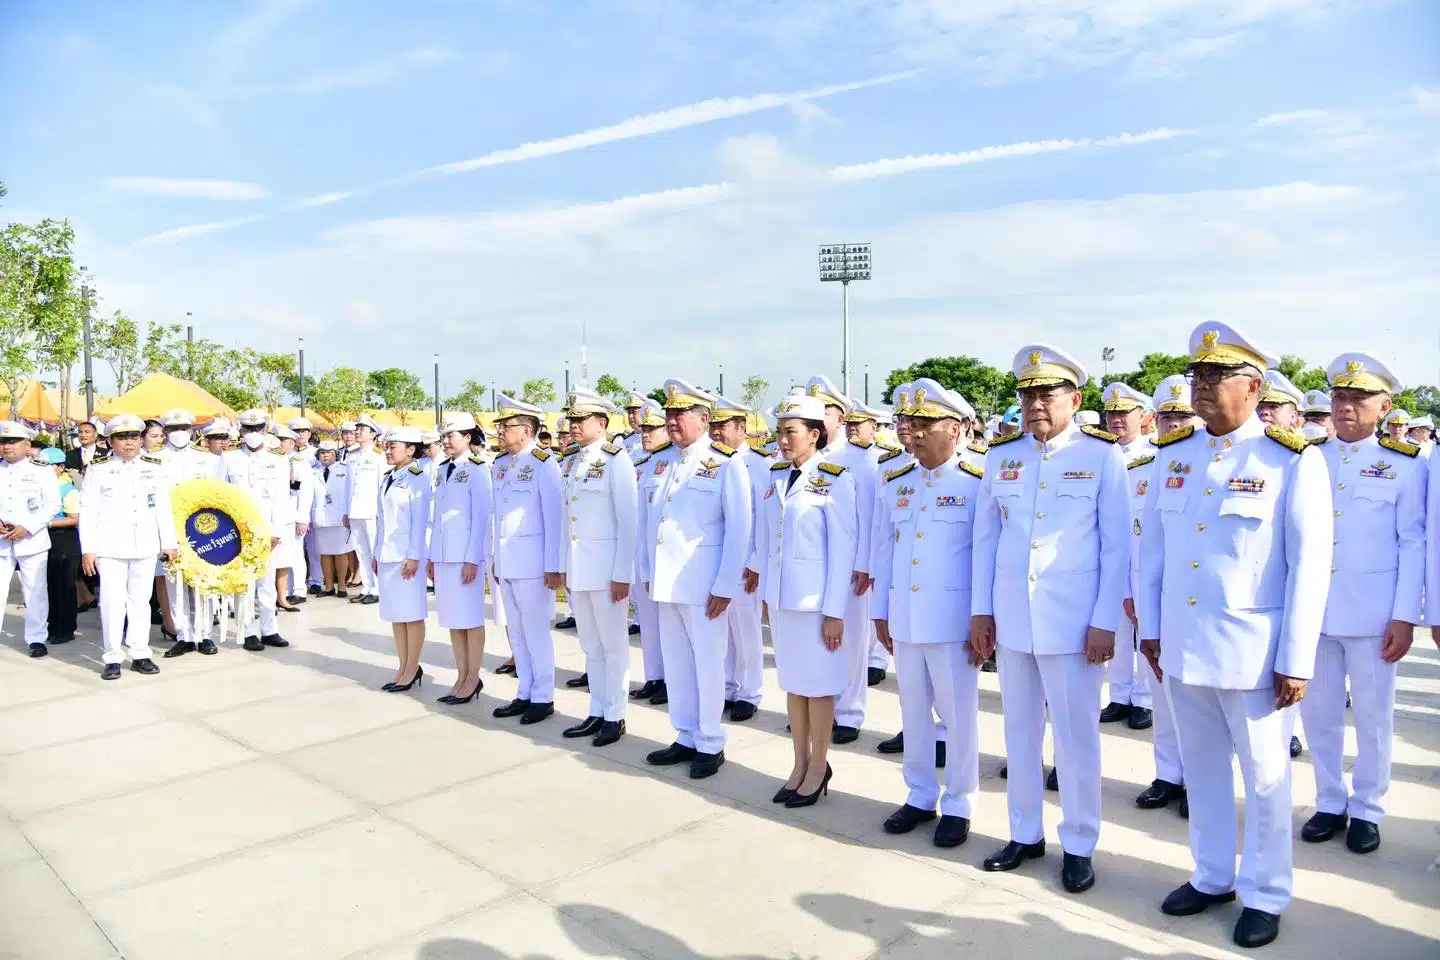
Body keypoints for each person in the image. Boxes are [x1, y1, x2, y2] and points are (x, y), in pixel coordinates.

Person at [1137, 323, 1332, 949]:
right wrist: (1153, 629)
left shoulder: (1290, 458)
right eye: (1197, 377)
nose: (1201, 388)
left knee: (1267, 777)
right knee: (1203, 770)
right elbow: (1156, 555)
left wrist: (1297, 657)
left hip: (1256, 654)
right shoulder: (1174, 456)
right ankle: (1213, 875)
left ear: (1253, 387)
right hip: (1186, 647)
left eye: (1215, 377)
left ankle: (1266, 892)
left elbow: (1309, 566)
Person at [971, 344, 1128, 895]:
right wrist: (981, 611)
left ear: (1074, 399)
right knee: (1018, 733)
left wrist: (1106, 618)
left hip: (1073, 623)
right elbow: (985, 540)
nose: (1035, 404)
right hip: (1014, 620)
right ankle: (1024, 833)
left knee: (1076, 737)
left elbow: (1116, 547)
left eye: (1047, 393)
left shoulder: (1102, 456)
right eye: (1027, 394)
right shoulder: (1001, 455)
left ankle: (1080, 843)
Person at [1298, 353, 1424, 856]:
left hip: (1374, 613)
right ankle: (1329, 799)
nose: (1346, 407)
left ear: (1384, 405)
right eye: (1340, 397)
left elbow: (1412, 542)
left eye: (1359, 398)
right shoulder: (1308, 458)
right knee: (1319, 714)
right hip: (1314, 611)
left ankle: (1368, 806)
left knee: (1373, 716)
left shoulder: (1404, 465)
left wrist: (1403, 615)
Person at [868, 380, 982, 842]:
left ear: (954, 429)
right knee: (912, 712)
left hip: (953, 621)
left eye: (924, 425)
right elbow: (884, 551)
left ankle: (959, 802)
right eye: (907, 425)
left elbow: (984, 555)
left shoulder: (978, 481)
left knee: (958, 716)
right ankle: (919, 794)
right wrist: (881, 611)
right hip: (906, 617)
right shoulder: (896, 482)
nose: (912, 434)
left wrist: (983, 616)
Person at [746, 393, 857, 806]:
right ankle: (799, 762)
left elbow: (843, 549)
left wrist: (834, 612)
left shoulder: (834, 478)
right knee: (794, 686)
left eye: (791, 432)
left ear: (814, 434)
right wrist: (764, 593)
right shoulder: (775, 475)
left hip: (815, 604)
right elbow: (765, 536)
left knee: (820, 688)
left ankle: (819, 766)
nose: (783, 440)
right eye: (779, 431)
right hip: (782, 599)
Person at [639, 378, 753, 779]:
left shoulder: (725, 463)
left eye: (679, 415)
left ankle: (710, 741)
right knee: (677, 664)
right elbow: (650, 523)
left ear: (703, 419)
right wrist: (647, 572)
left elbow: (739, 530)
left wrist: (725, 585)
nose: (671, 422)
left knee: (708, 665)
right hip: (668, 583)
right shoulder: (663, 462)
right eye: (668, 415)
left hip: (705, 586)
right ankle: (684, 734)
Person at [1133, 375, 1199, 818]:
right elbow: (1128, 539)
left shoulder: (1206, 464)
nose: (1175, 423)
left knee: (1198, 701)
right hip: (1151, 596)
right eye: (1167, 415)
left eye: (1183, 414)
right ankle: (1168, 772)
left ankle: (1200, 778)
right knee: (1160, 692)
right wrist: (1130, 594)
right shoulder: (1140, 468)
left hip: (1197, 601)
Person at [558, 389, 638, 746]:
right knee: (590, 644)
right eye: (572, 420)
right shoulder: (575, 459)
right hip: (581, 570)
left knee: (614, 645)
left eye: (581, 420)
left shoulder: (616, 459)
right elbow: (570, 520)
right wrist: (564, 567)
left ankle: (615, 715)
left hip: (607, 573)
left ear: (602, 424)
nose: (573, 425)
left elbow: (628, 521)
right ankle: (596, 710)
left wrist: (622, 573)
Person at [804, 375, 881, 746]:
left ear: (839, 416)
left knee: (850, 641)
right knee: (816, 642)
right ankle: (821, 710)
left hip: (850, 565)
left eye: (822, 412)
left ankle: (849, 712)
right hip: (811, 567)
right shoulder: (803, 457)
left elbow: (869, 514)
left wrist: (866, 563)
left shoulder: (861, 457)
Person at [80, 414, 179, 679]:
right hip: (110, 547)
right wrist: (88, 549)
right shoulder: (98, 468)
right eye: (122, 438)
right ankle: (112, 657)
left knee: (141, 602)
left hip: (145, 544)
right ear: (110, 441)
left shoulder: (154, 466)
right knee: (112, 603)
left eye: (133, 437)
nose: (129, 443)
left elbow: (163, 508)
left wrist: (169, 542)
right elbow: (88, 511)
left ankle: (140, 653)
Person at [489, 395, 563, 725]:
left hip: (534, 564)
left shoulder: (544, 464)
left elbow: (554, 518)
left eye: (507, 427)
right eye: (501, 427)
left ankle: (543, 696)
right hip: (507, 562)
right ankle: (525, 691)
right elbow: (497, 515)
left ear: (527, 429)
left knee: (535, 632)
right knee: (515, 632)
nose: (502, 432)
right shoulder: (501, 464)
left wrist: (553, 566)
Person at [1099, 382, 1157, 730]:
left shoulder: (1155, 453)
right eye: (1112, 414)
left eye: (1125, 413)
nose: (1117, 420)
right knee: (1115, 631)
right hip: (1107, 557)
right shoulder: (1101, 453)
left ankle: (1144, 700)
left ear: (1144, 416)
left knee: (1144, 629)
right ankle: (1119, 695)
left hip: (1139, 555)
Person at [710, 394, 768, 723]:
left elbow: (762, 517)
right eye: (713, 425)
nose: (716, 432)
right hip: (718, 560)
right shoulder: (711, 461)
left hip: (746, 561)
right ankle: (729, 686)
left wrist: (757, 561)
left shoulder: (758, 463)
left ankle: (750, 691)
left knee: (746, 630)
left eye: (723, 426)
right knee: (723, 629)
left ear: (741, 428)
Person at [429, 414, 492, 705]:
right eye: (444, 437)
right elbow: (438, 517)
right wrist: (432, 556)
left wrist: (472, 559)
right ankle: (462, 673)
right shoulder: (443, 469)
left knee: (470, 619)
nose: (445, 441)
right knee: (454, 619)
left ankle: (473, 676)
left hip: (465, 557)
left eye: (450, 436)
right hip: (444, 555)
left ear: (467, 438)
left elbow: (481, 517)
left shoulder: (478, 469)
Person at [155, 409, 226, 657]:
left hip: (202, 528)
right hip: (170, 529)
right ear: (165, 432)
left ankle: (204, 634)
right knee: (175, 585)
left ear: (191, 431)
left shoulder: (208, 459)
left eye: (183, 428)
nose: (179, 433)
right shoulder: (155, 459)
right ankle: (183, 634)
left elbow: (218, 495)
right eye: (173, 429)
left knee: (202, 583)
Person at [221, 410, 291, 651]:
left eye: (257, 429)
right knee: (244, 584)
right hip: (239, 532)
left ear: (265, 430)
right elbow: (222, 497)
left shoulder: (279, 460)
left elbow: (282, 500)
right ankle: (248, 630)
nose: (252, 434)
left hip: (267, 531)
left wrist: (277, 532)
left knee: (267, 582)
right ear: (240, 431)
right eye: (248, 430)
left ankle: (269, 629)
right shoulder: (228, 459)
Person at [373, 426, 433, 692]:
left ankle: (412, 667)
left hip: (406, 557)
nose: (388, 450)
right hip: (387, 555)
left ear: (411, 450)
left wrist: (414, 555)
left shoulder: (418, 477)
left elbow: (421, 521)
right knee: (397, 615)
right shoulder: (388, 477)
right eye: (387, 446)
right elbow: (382, 521)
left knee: (411, 614)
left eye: (393, 446)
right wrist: (376, 553)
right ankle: (403, 665)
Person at [0, 422, 61, 657]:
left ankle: (36, 639)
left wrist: (28, 527)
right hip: (3, 540)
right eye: (3, 442)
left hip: (32, 540)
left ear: (27, 445)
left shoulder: (42, 470)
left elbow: (53, 505)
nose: (6, 447)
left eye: (12, 442)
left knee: (34, 591)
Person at [628, 399, 670, 704]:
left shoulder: (672, 462)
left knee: (670, 627)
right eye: (643, 428)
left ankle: (671, 679)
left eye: (652, 428)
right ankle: (655, 676)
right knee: (649, 622)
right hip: (643, 556)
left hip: (667, 559)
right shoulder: (642, 464)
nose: (645, 433)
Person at [38, 448, 81, 647]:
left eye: (49, 466)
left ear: (61, 467)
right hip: (43, 539)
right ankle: (52, 626)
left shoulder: (67, 489)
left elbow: (75, 519)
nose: (44, 470)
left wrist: (45, 523)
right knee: (49, 586)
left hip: (63, 539)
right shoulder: (38, 487)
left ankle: (66, 628)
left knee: (64, 585)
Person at [343, 415, 386, 605]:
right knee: (361, 550)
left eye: (362, 429)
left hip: (371, 511)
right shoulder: (351, 456)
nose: (358, 432)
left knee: (373, 550)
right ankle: (367, 587)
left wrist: (380, 513)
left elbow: (381, 486)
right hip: (355, 511)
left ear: (373, 435)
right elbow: (348, 487)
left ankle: (377, 588)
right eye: (357, 428)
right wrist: (346, 511)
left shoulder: (379, 456)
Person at [274, 426, 314, 611]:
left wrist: (302, 519)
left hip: (293, 516)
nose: (281, 444)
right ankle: (282, 592)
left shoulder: (299, 463)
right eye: (278, 439)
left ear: (292, 444)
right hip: (275, 518)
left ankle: (297, 589)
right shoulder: (272, 461)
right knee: (280, 557)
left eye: (285, 440)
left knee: (296, 554)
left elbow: (305, 493)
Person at [311, 441, 352, 596]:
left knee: (341, 552)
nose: (325, 455)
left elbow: (349, 493)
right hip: (321, 517)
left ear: (336, 455)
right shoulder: (313, 471)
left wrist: (348, 513)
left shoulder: (345, 469)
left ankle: (341, 586)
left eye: (329, 453)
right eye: (322, 453)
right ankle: (328, 587)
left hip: (339, 517)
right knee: (324, 552)